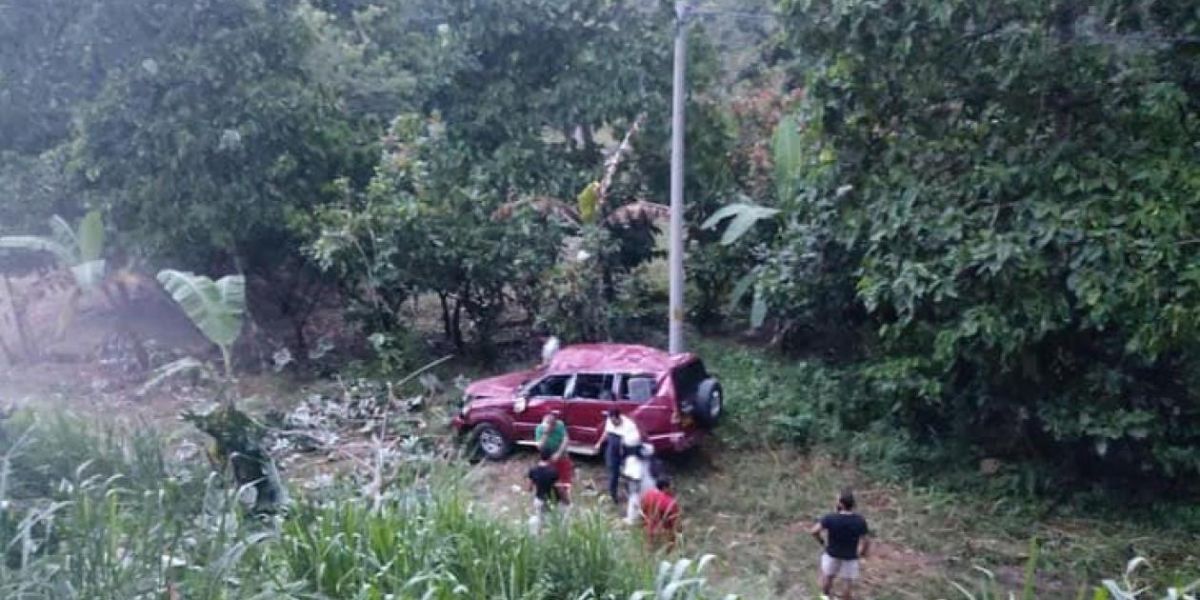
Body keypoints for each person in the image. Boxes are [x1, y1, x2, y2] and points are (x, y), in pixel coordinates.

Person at [810, 489, 871, 600]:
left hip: (832, 553)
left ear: (841, 504)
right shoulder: (859, 520)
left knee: (828, 577)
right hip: (850, 555)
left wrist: (822, 542)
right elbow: (866, 540)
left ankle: (824, 597)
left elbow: (814, 531)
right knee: (847, 583)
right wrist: (862, 552)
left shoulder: (830, 518)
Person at [593, 408, 641, 505]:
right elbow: (606, 432)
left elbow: (633, 441)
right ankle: (613, 496)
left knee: (629, 473)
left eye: (615, 421)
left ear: (619, 417)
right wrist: (599, 443)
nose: (613, 423)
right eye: (611, 421)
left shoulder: (629, 425)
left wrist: (623, 449)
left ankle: (632, 494)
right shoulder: (610, 421)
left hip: (627, 449)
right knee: (613, 473)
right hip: (612, 449)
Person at [535, 411, 572, 504]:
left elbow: (565, 439)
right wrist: (545, 434)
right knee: (551, 478)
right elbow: (539, 446)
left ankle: (565, 496)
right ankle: (552, 496)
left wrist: (558, 453)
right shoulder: (540, 429)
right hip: (548, 457)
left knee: (565, 478)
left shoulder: (560, 425)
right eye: (548, 425)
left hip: (561, 455)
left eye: (552, 426)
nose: (551, 428)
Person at [640, 476, 681, 550]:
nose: (673, 488)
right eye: (671, 487)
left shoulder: (648, 494)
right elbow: (676, 523)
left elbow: (643, 510)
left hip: (648, 530)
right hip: (664, 534)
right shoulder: (670, 503)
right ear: (665, 488)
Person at [527, 447, 560, 534]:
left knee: (539, 519)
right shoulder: (553, 472)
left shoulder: (533, 470)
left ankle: (538, 536)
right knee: (550, 521)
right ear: (550, 457)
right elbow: (558, 487)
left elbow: (529, 487)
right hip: (551, 500)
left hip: (538, 499)